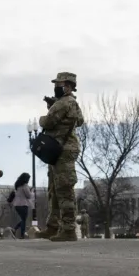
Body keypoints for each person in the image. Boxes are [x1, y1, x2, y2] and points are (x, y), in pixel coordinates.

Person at [37, 72, 85, 241]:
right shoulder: (72, 103)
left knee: (64, 190)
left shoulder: (64, 103)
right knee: (55, 190)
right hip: (62, 149)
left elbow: (47, 122)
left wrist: (46, 114)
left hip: (62, 149)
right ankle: (54, 226)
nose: (56, 87)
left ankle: (68, 229)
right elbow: (80, 120)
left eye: (59, 84)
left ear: (69, 86)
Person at [10, 173, 34, 238]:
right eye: (28, 179)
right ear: (26, 179)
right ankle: (21, 235)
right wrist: (31, 191)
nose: (28, 180)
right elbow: (28, 196)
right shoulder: (25, 185)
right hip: (23, 204)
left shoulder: (17, 185)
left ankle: (14, 230)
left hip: (16, 205)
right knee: (24, 220)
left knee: (23, 219)